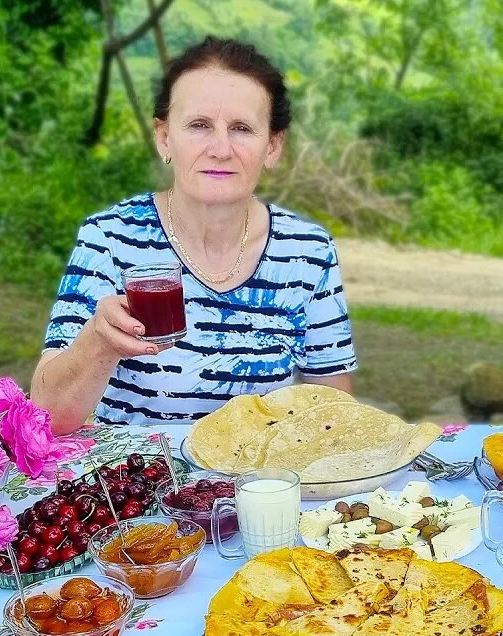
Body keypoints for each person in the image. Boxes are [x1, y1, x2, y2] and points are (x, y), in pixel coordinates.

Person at [33, 37, 356, 433]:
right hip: (138, 485)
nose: (220, 148)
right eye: (199, 125)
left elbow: (337, 415)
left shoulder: (308, 250)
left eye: (241, 128)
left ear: (272, 146)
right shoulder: (110, 237)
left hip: (258, 487)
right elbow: (46, 418)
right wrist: (99, 343)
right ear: (165, 137)